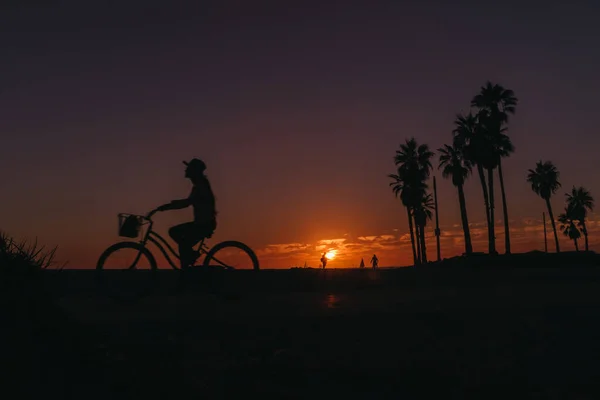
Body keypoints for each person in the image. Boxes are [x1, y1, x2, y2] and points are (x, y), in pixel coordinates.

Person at [148, 158, 217, 269]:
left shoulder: (201, 186)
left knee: (178, 236)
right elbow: (188, 202)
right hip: (202, 223)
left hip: (204, 224)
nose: (186, 170)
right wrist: (167, 206)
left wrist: (167, 207)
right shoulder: (199, 185)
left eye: (188, 168)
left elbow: (187, 202)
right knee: (181, 240)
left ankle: (186, 270)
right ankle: (187, 263)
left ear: (194, 171)